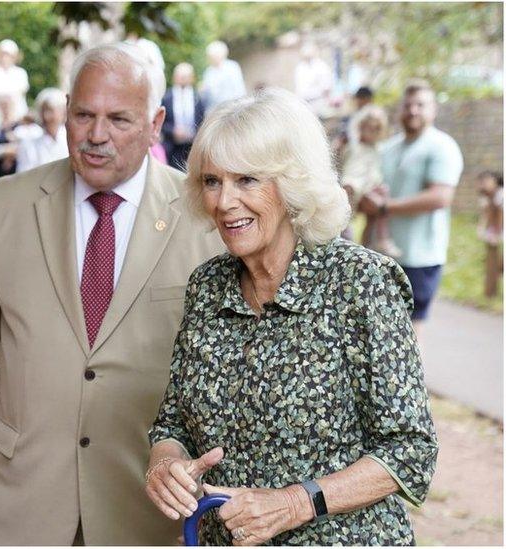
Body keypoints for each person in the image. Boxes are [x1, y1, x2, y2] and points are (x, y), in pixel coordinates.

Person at [0, 42, 224, 545]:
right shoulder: (3, 205)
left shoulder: (204, 218)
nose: (97, 136)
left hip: (147, 501)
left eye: (119, 119)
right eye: (84, 115)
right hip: (22, 493)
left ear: (155, 122)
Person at [145, 87, 438, 545]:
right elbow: (173, 424)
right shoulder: (206, 286)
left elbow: (409, 450)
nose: (224, 203)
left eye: (247, 180)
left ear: (292, 182)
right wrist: (165, 464)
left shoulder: (362, 282)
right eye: (211, 181)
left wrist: (296, 502)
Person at [360, 80, 464, 330]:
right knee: (376, 330)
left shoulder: (441, 146)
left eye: (421, 104)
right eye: (408, 105)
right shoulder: (387, 148)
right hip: (379, 254)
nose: (413, 110)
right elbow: (369, 195)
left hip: (420, 256)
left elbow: (440, 197)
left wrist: (386, 207)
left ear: (434, 109)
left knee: (409, 333)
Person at [340, 105, 401, 256]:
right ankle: (348, 238)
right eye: (369, 128)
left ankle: (377, 240)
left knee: (380, 204)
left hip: (368, 186)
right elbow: (349, 171)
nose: (372, 132)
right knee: (344, 214)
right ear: (361, 126)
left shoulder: (376, 148)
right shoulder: (354, 146)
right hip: (353, 186)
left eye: (376, 129)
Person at [161, 62, 206, 170]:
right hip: (172, 148)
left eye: (185, 76)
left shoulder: (197, 98)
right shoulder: (167, 98)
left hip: (192, 147)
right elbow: (161, 123)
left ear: (191, 78)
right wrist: (173, 131)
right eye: (180, 76)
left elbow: (202, 121)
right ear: (174, 77)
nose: (182, 79)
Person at [15, 87, 68, 173]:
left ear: (63, 112)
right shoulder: (29, 143)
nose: (46, 116)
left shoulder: (70, 138)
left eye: (51, 111)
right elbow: (24, 175)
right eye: (43, 111)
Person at [0, 39, 30, 122]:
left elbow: (21, 91)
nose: (5, 58)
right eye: (3, 55)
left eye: (9, 55)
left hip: (16, 115)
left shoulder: (20, 73)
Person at [476, 170, 503, 298]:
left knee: (498, 263)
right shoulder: (486, 197)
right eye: (481, 182)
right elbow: (486, 215)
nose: (483, 184)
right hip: (493, 232)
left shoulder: (500, 195)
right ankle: (490, 293)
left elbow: (499, 216)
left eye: (486, 181)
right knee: (491, 263)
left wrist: (497, 234)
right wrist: (482, 229)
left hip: (498, 232)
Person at [200, 40, 246, 113]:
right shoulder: (208, 72)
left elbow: (239, 90)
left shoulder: (232, 67)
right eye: (210, 56)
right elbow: (205, 96)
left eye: (213, 56)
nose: (211, 58)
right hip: (213, 111)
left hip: (230, 109)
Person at [294, 42, 335, 115]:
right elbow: (299, 86)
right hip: (304, 103)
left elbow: (327, 86)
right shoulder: (300, 67)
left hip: (319, 102)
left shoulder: (321, 66)